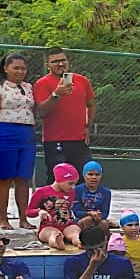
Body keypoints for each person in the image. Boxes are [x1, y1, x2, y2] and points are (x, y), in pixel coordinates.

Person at [0, 51, 36, 231]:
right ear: (6, 69)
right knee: (4, 177)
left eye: (23, 68)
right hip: (5, 133)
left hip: (27, 134)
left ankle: (23, 218)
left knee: (23, 178)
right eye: (16, 68)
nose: (20, 71)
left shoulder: (29, 88)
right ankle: (3, 219)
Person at [32, 46, 96, 182]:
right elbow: (42, 111)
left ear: (68, 62)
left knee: (84, 178)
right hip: (55, 140)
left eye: (63, 60)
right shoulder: (42, 83)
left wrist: (87, 127)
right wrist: (56, 94)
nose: (60, 64)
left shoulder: (82, 81)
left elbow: (91, 104)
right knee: (58, 180)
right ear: (47, 65)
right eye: (55, 61)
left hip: (79, 140)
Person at [26, 162, 82, 249]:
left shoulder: (71, 192)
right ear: (59, 180)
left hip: (67, 225)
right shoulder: (41, 192)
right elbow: (28, 211)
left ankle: (78, 241)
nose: (73, 187)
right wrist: (39, 211)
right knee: (52, 234)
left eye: (75, 184)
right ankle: (56, 242)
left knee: (74, 231)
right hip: (48, 226)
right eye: (70, 183)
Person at [64, 226, 135, 279]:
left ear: (106, 240)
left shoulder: (123, 263)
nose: (97, 253)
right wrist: (92, 267)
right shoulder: (73, 262)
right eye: (91, 250)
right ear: (82, 246)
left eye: (100, 248)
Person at [71, 161, 112, 231]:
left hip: (99, 219)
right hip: (82, 219)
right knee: (88, 220)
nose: (94, 177)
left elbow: (105, 213)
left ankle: (102, 241)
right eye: (90, 174)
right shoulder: (77, 190)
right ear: (84, 175)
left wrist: (97, 215)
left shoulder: (106, 192)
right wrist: (89, 213)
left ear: (101, 176)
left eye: (97, 174)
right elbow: (76, 212)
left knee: (104, 224)